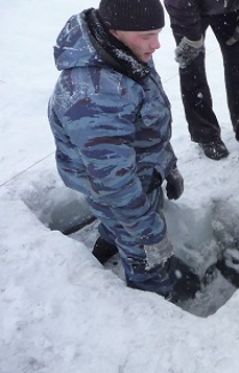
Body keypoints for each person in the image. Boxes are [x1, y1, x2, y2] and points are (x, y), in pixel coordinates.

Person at [48, 0, 201, 302]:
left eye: (158, 33)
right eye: (147, 35)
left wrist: (167, 166)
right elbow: (113, 183)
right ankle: (151, 297)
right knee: (148, 253)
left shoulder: (126, 52)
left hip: (139, 170)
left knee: (129, 220)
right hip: (112, 184)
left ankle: (110, 237)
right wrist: (147, 232)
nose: (156, 45)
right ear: (114, 30)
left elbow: (149, 120)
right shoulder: (92, 93)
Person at [164, 0, 239, 160]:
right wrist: (192, 37)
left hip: (233, 8)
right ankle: (205, 133)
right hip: (186, 9)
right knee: (192, 65)